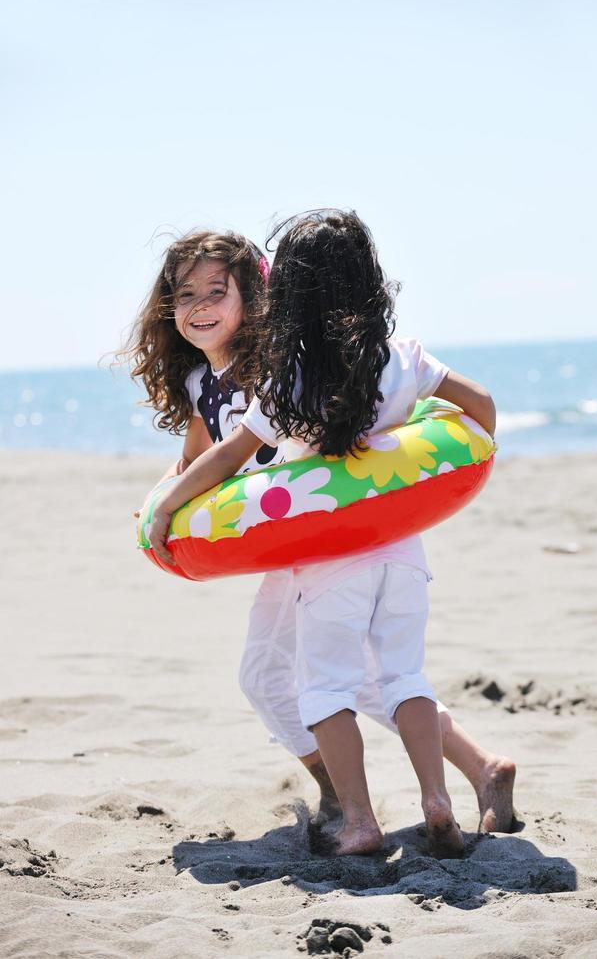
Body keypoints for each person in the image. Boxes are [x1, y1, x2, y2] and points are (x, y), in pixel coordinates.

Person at [146, 212, 515, 857]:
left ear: (262, 293)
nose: (200, 307)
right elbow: (201, 460)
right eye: (186, 295)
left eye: (217, 291)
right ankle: (471, 771)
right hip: (301, 542)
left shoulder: (284, 366)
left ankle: (348, 802)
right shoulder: (206, 383)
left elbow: (244, 451)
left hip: (321, 543)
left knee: (298, 678)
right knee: (372, 674)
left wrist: (173, 504)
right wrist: (166, 503)